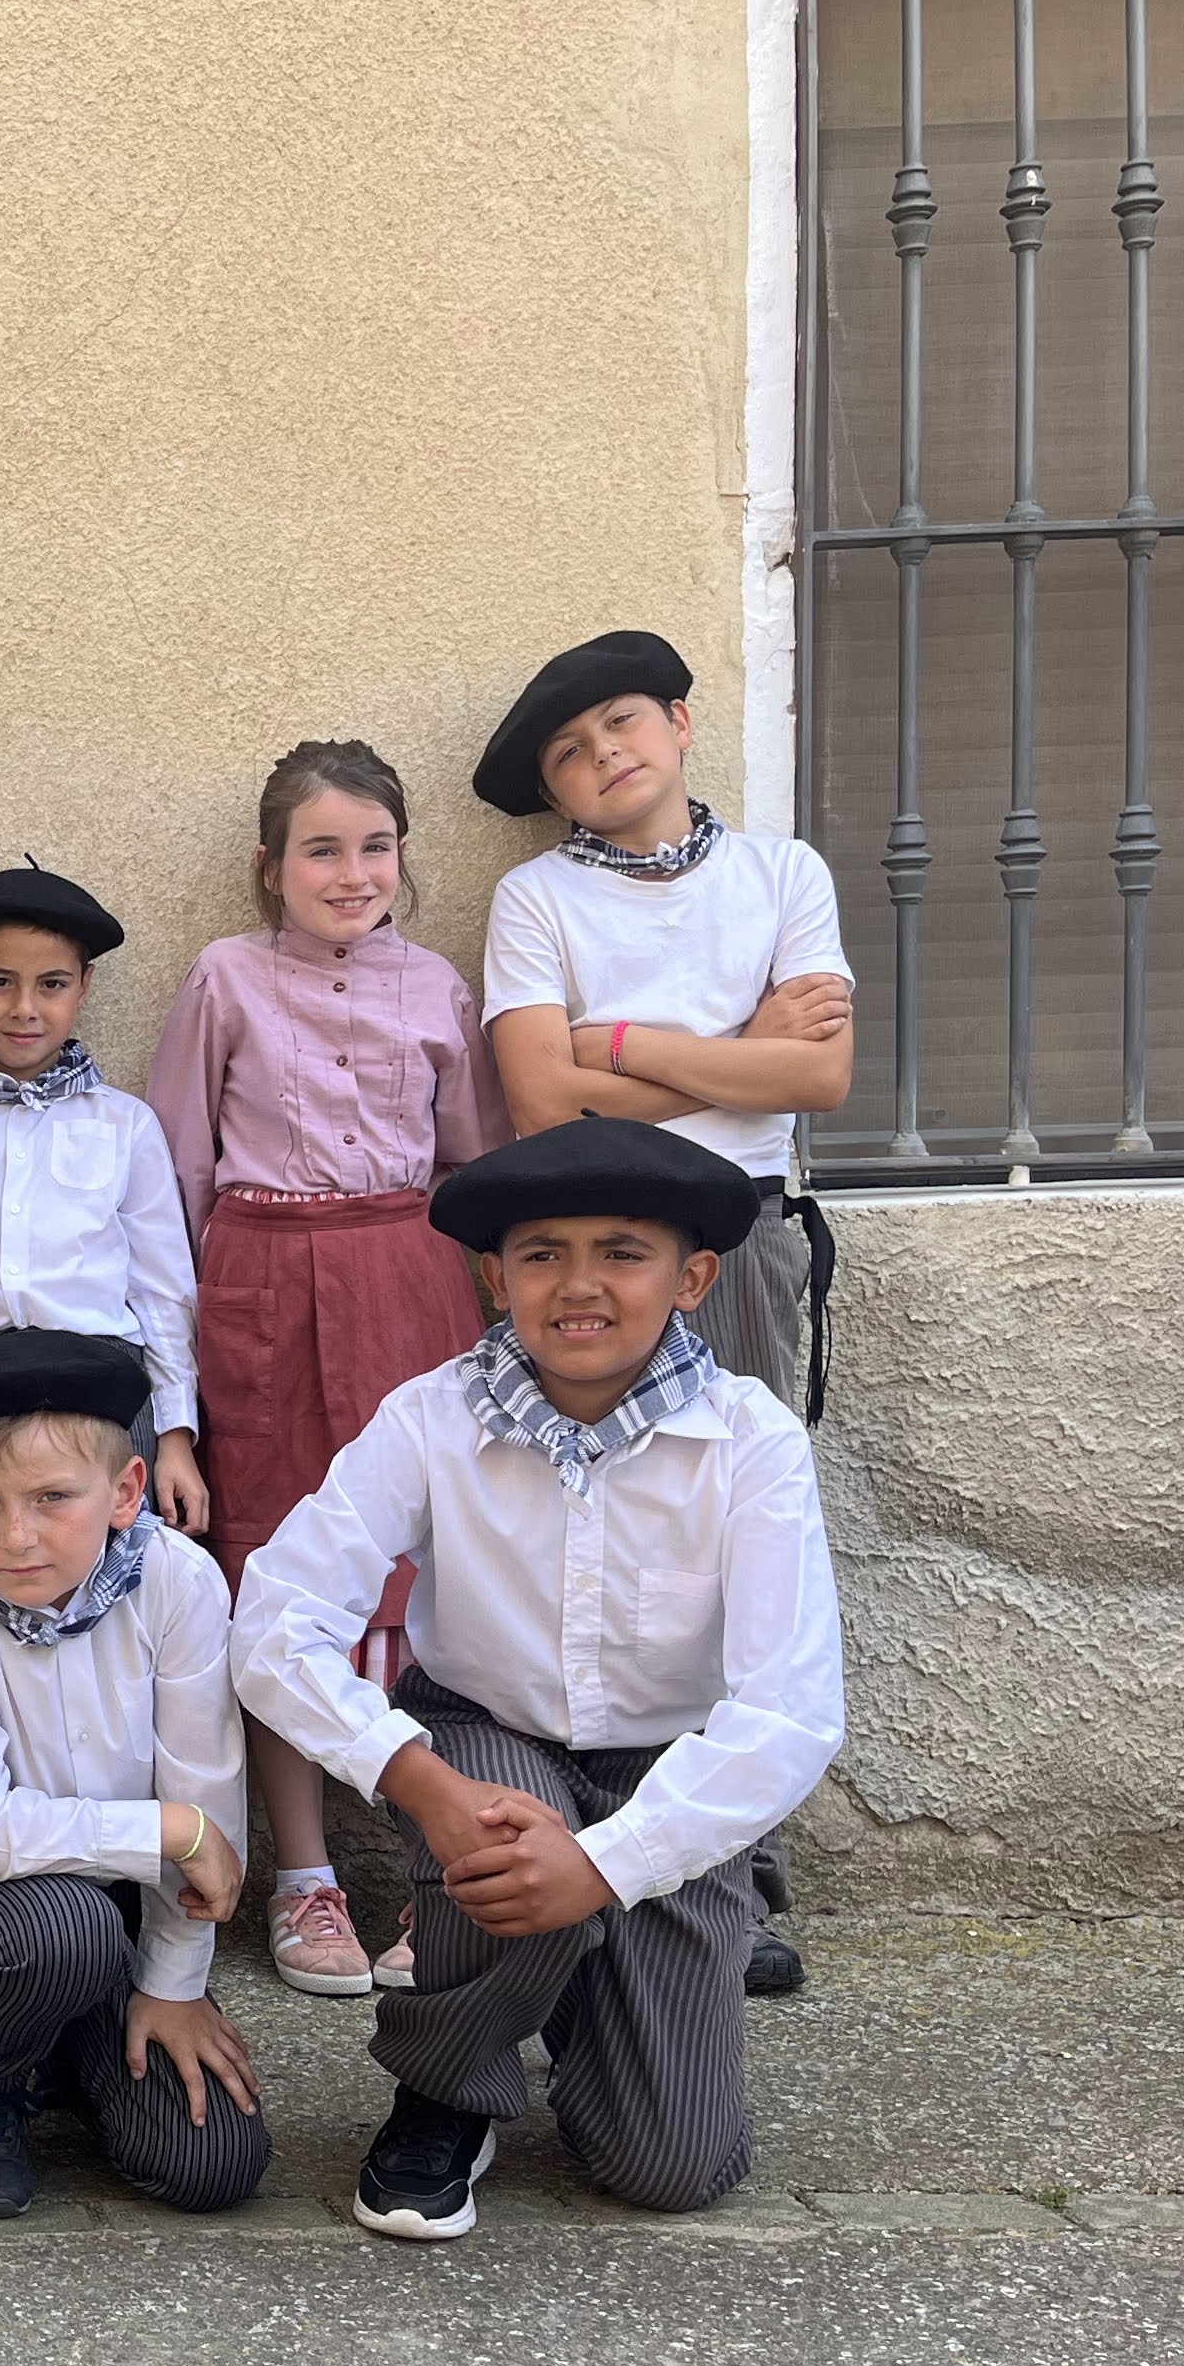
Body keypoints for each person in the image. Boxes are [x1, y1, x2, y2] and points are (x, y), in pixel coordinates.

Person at [232, 1120, 847, 2244]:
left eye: (623, 1252)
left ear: (694, 1277)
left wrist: (608, 1865)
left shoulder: (750, 1441)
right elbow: (274, 1620)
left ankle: (572, 1993)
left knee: (672, 2165)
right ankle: (448, 2091)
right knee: (508, 1830)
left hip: (669, 1773)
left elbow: (789, 1710)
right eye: (542, 1254)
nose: (580, 1286)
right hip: (486, 1740)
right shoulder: (431, 1416)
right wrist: (414, 1780)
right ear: (492, 1273)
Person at [472, 629, 854, 1998]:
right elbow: (535, 1104)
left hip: (739, 1239)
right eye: (569, 755)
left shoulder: (782, 874)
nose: (602, 758)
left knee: (736, 1552)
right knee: (608, 1551)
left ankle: (734, 1881)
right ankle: (605, 1846)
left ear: (682, 723)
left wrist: (617, 1045)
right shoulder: (537, 901)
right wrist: (739, 1053)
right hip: (592, 1249)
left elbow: (823, 1079)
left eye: (622, 725)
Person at [142, 740, 507, 1998]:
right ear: (271, 866)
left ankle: (430, 1878)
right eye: (321, 850)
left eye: (375, 847)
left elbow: (472, 1163)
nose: (352, 874)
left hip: (406, 1279)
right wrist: (180, 1372)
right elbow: (177, 1175)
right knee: (279, 1569)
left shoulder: (438, 988)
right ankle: (305, 1880)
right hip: (260, 1289)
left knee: (425, 1568)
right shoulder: (225, 979)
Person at [0, 1329, 260, 2223]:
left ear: (126, 1491)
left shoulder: (180, 1585)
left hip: (112, 1893)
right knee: (61, 1932)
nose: (17, 1535)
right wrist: (165, 1831)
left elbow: (206, 1807)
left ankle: (62, 2040)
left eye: (53, 1497)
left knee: (212, 2164)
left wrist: (172, 1988)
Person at [0, 864, 203, 1530]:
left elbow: (162, 1293)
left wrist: (176, 1439)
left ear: (84, 987)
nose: (25, 1008)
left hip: (102, 1378)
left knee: (113, 1560)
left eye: (52, 985)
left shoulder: (123, 1123)